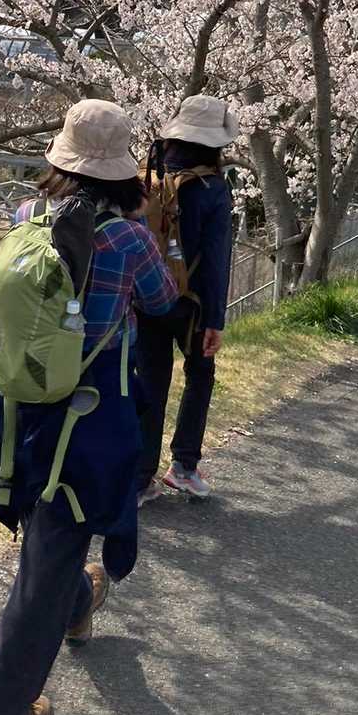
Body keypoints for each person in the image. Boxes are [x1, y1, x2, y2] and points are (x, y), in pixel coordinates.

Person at [0, 99, 178, 715]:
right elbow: (163, 302)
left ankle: (79, 604)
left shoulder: (26, 217)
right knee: (52, 551)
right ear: (122, 171)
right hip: (88, 414)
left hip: (22, 408)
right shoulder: (129, 239)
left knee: (53, 534)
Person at [135, 95, 237, 503]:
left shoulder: (148, 177)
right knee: (200, 375)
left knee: (150, 382)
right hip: (191, 304)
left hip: (147, 299)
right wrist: (215, 320)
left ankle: (140, 477)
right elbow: (215, 261)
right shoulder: (213, 189)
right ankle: (183, 466)